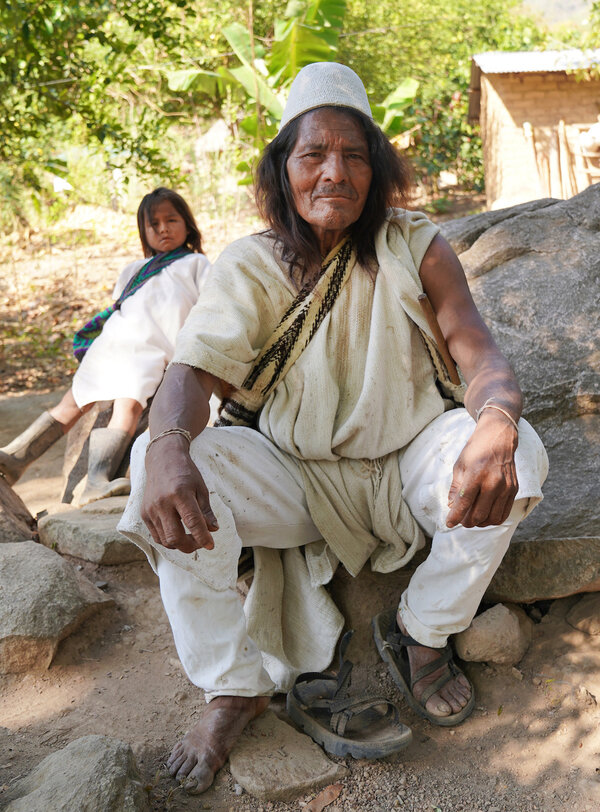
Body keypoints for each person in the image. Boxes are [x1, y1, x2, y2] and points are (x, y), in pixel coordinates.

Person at [118, 63, 548, 794]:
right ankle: (233, 686)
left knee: (525, 460)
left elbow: (478, 350)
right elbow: (191, 375)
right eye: (312, 154)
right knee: (159, 471)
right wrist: (165, 446)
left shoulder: (418, 244)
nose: (334, 172)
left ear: (376, 169)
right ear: (283, 169)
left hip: (410, 461)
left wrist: (498, 418)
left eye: (353, 154)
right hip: (294, 480)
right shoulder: (250, 264)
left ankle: (421, 630)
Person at [0, 187, 210, 505]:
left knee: (129, 404)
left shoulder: (197, 264)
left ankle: (96, 479)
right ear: (144, 231)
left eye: (171, 220)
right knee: (73, 403)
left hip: (150, 350)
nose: (163, 228)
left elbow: (206, 308)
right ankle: (14, 459)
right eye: (154, 224)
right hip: (112, 343)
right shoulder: (133, 270)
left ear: (188, 225)